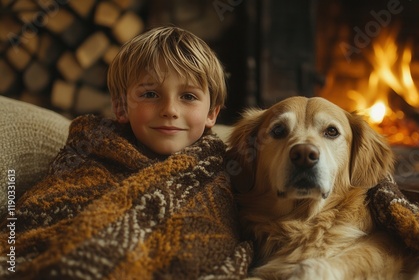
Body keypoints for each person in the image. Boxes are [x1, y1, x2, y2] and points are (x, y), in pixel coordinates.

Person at [0, 26, 252, 279]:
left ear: (212, 113)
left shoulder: (220, 174)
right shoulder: (88, 155)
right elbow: (33, 221)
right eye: (150, 94)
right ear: (121, 107)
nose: (170, 109)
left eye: (188, 96)